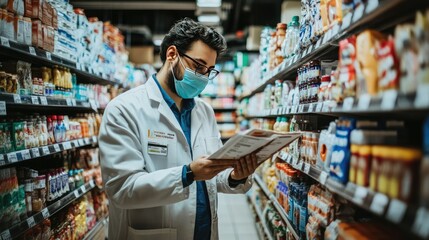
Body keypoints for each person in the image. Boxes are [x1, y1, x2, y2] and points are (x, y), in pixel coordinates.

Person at [98, 18, 259, 240]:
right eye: (198, 66)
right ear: (172, 55)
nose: (203, 77)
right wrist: (187, 174)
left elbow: (212, 176)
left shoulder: (204, 111)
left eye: (209, 70)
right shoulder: (124, 109)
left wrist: (235, 176)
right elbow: (122, 190)